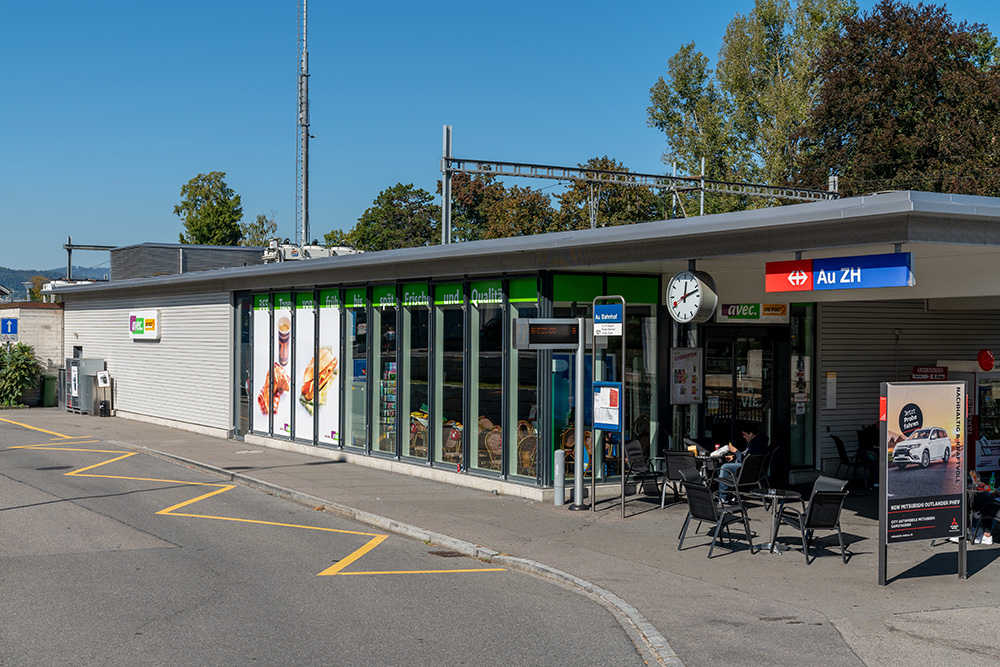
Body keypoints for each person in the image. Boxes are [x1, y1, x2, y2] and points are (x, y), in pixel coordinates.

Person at [715, 421, 769, 502]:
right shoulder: (758, 442)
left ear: (751, 434)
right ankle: (726, 492)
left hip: (747, 471)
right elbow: (746, 454)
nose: (744, 437)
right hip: (752, 469)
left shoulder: (756, 444)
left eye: (745, 435)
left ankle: (723, 496)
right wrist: (734, 455)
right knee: (720, 466)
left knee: (724, 467)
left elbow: (745, 460)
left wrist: (735, 451)